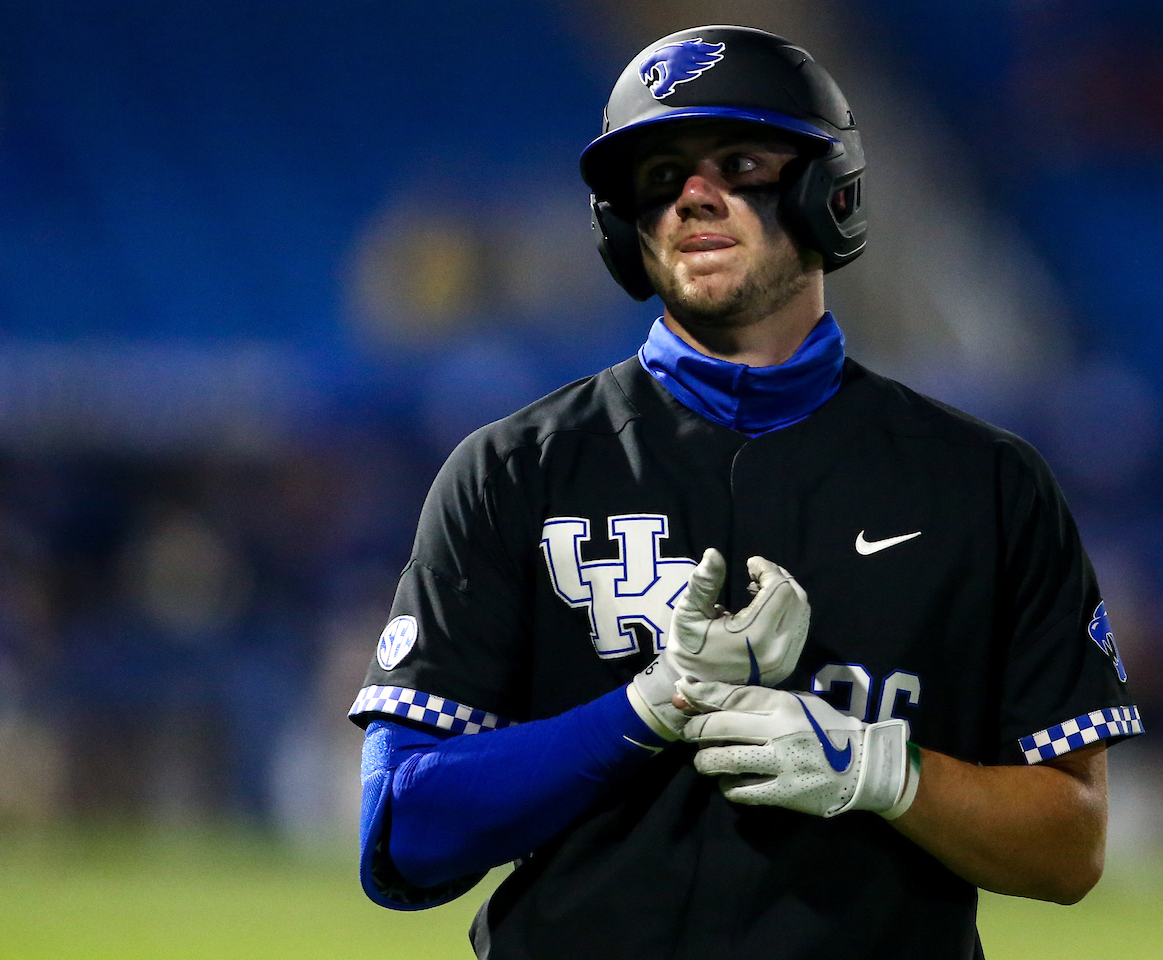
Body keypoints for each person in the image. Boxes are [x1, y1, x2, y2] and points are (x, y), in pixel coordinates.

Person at [348, 25, 1142, 959]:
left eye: (740, 161)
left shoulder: (985, 484)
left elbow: (1070, 847)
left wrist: (882, 772)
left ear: (825, 191)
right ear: (622, 222)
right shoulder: (513, 470)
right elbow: (403, 831)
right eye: (658, 174)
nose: (692, 194)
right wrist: (648, 710)